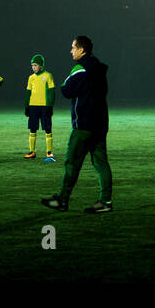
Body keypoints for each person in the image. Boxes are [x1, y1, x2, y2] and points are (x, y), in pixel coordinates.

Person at [40, 35, 112, 213]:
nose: (71, 50)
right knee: (101, 163)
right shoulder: (100, 68)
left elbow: (66, 89)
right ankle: (106, 202)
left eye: (73, 47)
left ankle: (62, 200)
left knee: (72, 162)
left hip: (84, 124)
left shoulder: (80, 68)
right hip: (100, 123)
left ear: (82, 50)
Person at [24, 54, 57, 160]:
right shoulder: (31, 78)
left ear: (41, 66)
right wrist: (27, 106)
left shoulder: (48, 76)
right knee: (32, 129)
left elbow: (52, 92)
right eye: (32, 65)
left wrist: (50, 106)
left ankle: (49, 152)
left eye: (35, 65)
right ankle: (32, 152)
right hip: (33, 106)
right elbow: (28, 93)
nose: (33, 67)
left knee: (47, 128)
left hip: (44, 107)